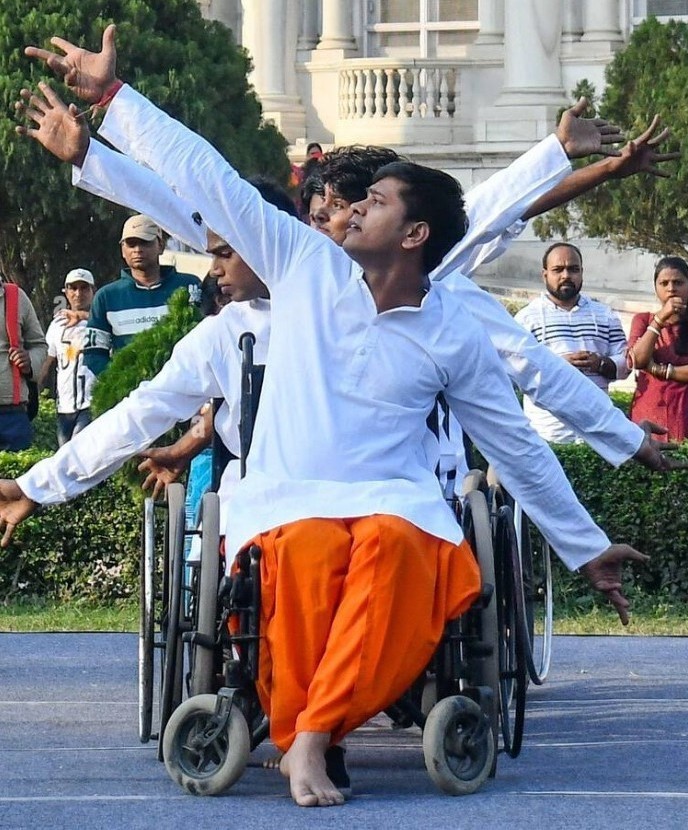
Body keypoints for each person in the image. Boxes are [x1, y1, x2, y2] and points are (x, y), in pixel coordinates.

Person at [5, 28, 650, 807]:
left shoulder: (453, 328)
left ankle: (308, 737)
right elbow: (205, 180)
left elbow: (517, 447)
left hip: (398, 499)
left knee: (395, 548)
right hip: (289, 493)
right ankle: (312, 728)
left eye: (371, 204)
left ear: (413, 237)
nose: (344, 214)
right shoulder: (302, 267)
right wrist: (113, 100)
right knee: (307, 554)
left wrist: (583, 547)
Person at [514, 243, 630, 443]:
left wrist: (600, 363)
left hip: (597, 434)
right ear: (545, 275)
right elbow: (515, 371)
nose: (566, 275)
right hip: (547, 435)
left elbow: (626, 362)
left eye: (573, 269)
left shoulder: (604, 315)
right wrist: (557, 366)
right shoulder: (526, 318)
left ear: (582, 273)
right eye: (558, 270)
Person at [82, 213, 201, 375]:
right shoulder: (106, 296)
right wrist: (119, 383)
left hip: (185, 389)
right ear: (123, 250)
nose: (138, 250)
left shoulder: (190, 286)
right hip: (131, 396)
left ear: (161, 246)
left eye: (145, 243)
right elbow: (94, 354)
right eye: (131, 244)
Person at [628, 256, 688, 440]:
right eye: (664, 283)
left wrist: (658, 370)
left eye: (678, 282)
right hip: (649, 415)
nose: (671, 288)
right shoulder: (643, 320)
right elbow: (637, 359)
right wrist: (660, 319)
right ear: (656, 289)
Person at [37, 268, 95, 445]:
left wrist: (83, 316)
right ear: (66, 292)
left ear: (93, 291)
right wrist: (34, 393)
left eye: (84, 288)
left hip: (91, 403)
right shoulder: (57, 324)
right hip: (65, 406)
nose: (78, 293)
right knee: (65, 459)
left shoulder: (101, 320)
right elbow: (47, 361)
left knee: (78, 452)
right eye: (73, 288)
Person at [0, 279, 46, 451]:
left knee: (17, 477)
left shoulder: (16, 297)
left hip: (12, 415)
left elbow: (39, 345)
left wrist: (29, 362)